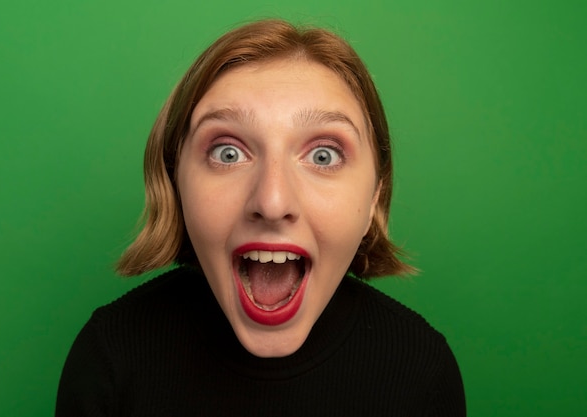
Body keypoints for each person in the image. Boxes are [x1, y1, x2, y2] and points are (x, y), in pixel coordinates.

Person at [56, 19, 466, 416]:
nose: (272, 202)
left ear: (375, 197)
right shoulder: (110, 359)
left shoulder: (422, 372)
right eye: (227, 153)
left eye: (323, 156)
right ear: (175, 182)